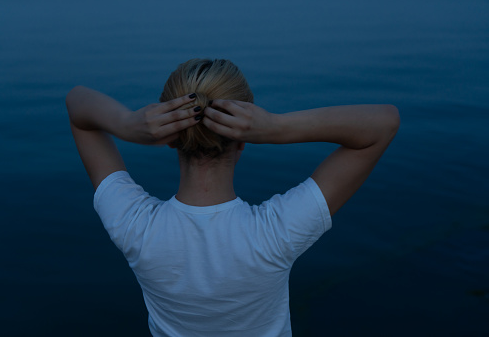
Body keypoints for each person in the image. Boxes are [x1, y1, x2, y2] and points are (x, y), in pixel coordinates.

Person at [66, 58, 400, 336]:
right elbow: (383, 124)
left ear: (168, 138)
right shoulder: (275, 234)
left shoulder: (133, 226)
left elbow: (78, 104)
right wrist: (277, 127)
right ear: (244, 139)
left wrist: (127, 123)